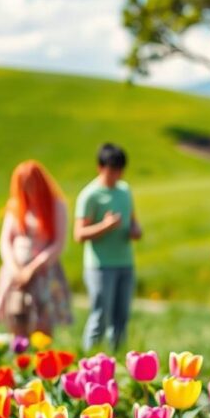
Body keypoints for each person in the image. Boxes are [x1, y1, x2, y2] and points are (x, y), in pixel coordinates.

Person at [0, 160, 72, 337]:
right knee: (16, 314)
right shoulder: (16, 206)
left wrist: (32, 268)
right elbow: (5, 241)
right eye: (25, 186)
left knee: (43, 323)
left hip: (43, 272)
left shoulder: (56, 205)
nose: (29, 190)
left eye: (32, 185)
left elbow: (58, 243)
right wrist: (15, 268)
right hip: (15, 273)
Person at [73, 143, 142, 351]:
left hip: (125, 262)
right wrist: (105, 226)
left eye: (120, 170)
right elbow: (79, 234)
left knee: (121, 318)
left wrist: (135, 230)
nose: (116, 175)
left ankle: (117, 360)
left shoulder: (125, 190)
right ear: (100, 168)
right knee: (100, 316)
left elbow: (133, 220)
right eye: (113, 170)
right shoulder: (90, 195)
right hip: (100, 266)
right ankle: (88, 359)